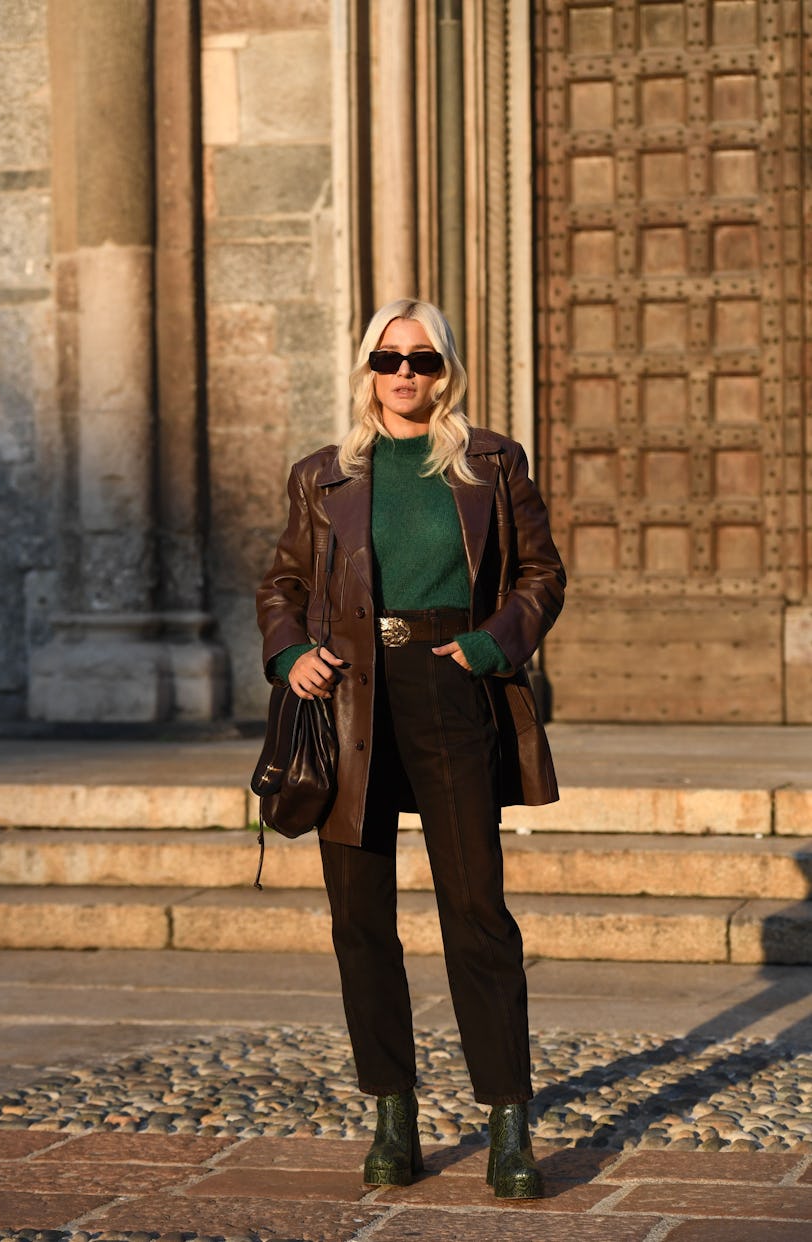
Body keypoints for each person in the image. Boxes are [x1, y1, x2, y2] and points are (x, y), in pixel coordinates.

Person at [256, 298, 565, 1199]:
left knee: (477, 911)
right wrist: (288, 654)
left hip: (451, 686)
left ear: (447, 370)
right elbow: (281, 582)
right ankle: (394, 1113)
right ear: (367, 369)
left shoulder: (491, 463)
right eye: (390, 360)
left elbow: (541, 573)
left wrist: (491, 643)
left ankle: (509, 1124)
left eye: (423, 360)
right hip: (351, 697)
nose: (405, 375)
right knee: (360, 919)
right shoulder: (323, 476)